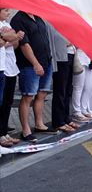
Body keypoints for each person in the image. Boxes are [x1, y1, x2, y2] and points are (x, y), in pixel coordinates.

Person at [11, 11, 55, 143]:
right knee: (27, 96)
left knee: (42, 94)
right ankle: (25, 130)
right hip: (29, 65)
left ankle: (39, 124)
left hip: (46, 61)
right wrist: (35, 64)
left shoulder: (38, 16)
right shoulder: (18, 19)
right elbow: (24, 45)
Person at [0, 9, 24, 146]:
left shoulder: (6, 25)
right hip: (3, 68)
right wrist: (10, 37)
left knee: (8, 101)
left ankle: (4, 132)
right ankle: (1, 135)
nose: (8, 13)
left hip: (10, 67)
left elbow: (15, 43)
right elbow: (4, 42)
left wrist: (9, 36)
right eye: (5, 10)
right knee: (1, 102)